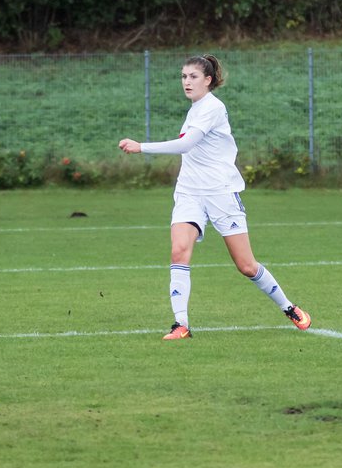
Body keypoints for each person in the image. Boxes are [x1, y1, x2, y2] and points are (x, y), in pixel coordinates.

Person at [118, 55, 312, 340]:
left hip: (221, 192)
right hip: (189, 192)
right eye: (183, 76)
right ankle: (180, 324)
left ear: (208, 80)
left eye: (193, 76)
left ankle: (289, 307)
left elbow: (186, 144)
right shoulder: (195, 109)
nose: (186, 81)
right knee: (178, 251)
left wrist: (141, 147)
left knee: (246, 265)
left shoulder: (213, 107)